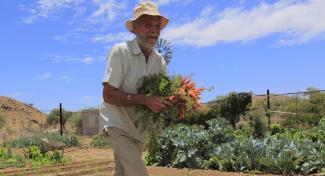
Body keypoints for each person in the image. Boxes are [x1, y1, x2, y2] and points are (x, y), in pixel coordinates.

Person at [99, 1, 169, 176]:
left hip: (138, 127)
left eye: (157, 26)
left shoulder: (159, 61)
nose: (154, 31)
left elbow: (161, 94)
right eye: (147, 25)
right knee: (138, 172)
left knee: (123, 172)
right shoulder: (120, 52)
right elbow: (108, 95)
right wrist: (144, 99)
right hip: (117, 122)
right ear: (134, 29)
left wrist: (174, 101)